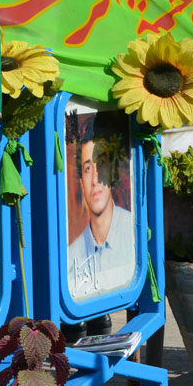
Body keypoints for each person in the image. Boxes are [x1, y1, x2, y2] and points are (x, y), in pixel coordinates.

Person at [67, 114, 135, 299]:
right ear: (81, 183)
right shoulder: (71, 255)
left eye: (102, 165)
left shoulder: (133, 232)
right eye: (88, 168)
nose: (96, 179)